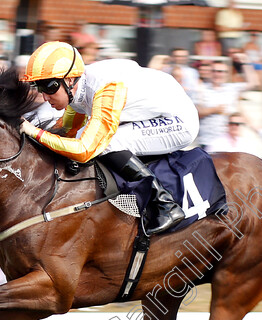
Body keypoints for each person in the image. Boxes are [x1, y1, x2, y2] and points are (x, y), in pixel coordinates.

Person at [19, 41, 200, 235]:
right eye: (38, 87)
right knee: (86, 137)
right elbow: (66, 130)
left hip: (178, 121)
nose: (45, 97)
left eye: (49, 87)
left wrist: (33, 131)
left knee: (108, 143)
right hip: (154, 112)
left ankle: (164, 204)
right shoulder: (77, 91)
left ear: (70, 80)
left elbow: (84, 150)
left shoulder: (105, 89)